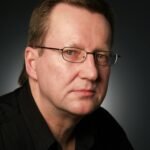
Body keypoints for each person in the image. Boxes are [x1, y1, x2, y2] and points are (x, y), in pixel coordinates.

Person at [0, 0, 134, 149]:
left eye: (101, 55)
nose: (92, 73)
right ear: (32, 63)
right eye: (70, 52)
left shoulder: (108, 130)